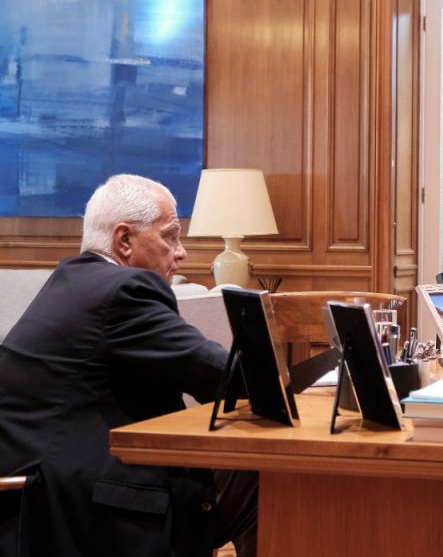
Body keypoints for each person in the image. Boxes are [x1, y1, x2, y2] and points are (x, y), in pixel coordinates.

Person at [0, 175, 257, 557]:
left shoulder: (73, 279)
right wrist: (294, 380)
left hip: (38, 490)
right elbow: (223, 377)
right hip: (71, 503)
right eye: (170, 236)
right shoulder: (124, 291)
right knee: (272, 474)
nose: (181, 252)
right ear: (124, 240)